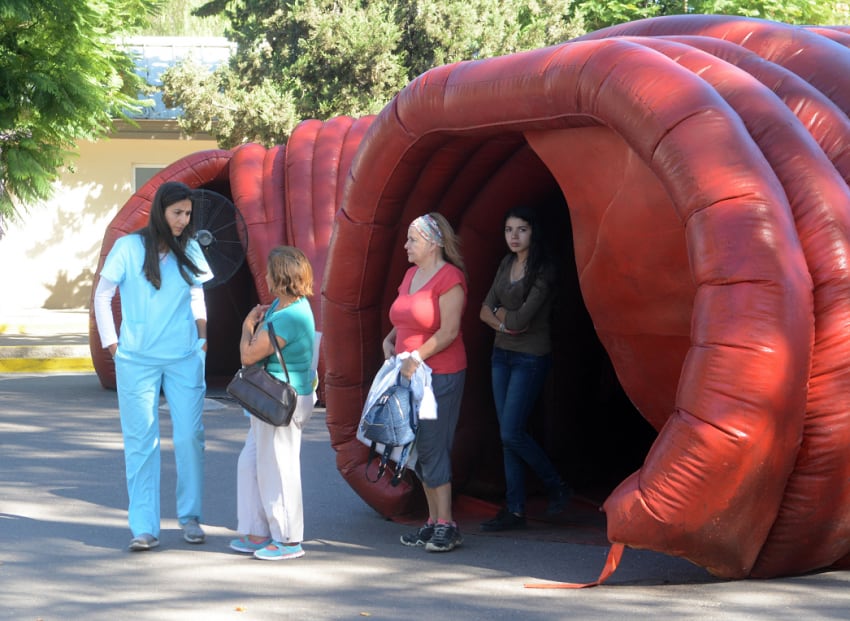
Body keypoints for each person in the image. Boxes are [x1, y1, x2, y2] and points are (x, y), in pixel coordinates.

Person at [94, 181, 213, 551]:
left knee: (190, 436)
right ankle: (144, 527)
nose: (183, 220)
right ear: (161, 210)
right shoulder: (128, 247)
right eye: (177, 212)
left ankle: (190, 517)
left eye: (188, 214)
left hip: (184, 357)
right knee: (141, 441)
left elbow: (197, 293)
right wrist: (113, 346)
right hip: (136, 360)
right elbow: (103, 294)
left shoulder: (189, 247)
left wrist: (202, 340)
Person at [479, 205, 572, 532]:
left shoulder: (544, 269)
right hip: (501, 355)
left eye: (521, 229)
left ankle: (556, 484)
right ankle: (515, 510)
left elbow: (519, 320)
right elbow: (483, 310)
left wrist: (502, 318)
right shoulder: (506, 263)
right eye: (509, 230)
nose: (514, 236)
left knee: (510, 431)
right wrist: (504, 324)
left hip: (530, 357)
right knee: (508, 436)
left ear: (534, 232)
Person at [384, 212, 467, 553]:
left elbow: (448, 331)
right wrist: (391, 341)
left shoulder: (450, 277)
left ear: (433, 243)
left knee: (433, 445)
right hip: (408, 374)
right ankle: (432, 521)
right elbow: (404, 315)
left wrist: (416, 357)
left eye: (412, 240)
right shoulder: (410, 274)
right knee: (415, 446)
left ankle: (447, 523)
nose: (406, 245)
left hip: (439, 376)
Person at [229, 246, 317, 561]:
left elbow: (249, 355)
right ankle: (257, 530)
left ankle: (288, 539)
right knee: (251, 463)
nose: (264, 276)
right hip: (272, 398)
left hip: (280, 400)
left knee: (278, 467)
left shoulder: (290, 315)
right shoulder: (286, 305)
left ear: (278, 278)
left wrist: (246, 327)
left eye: (269, 271)